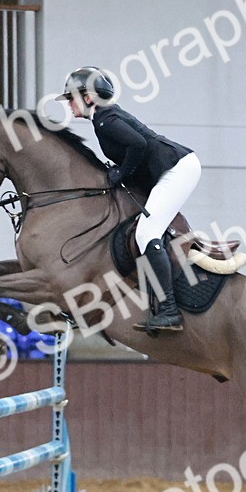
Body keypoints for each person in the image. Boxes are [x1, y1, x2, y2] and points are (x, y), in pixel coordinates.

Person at [57, 66, 200, 334]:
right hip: (170, 168)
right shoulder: (102, 118)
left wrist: (120, 173)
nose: (68, 104)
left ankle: (169, 311)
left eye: (71, 97)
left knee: (147, 233)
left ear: (89, 97)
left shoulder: (105, 119)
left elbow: (138, 145)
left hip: (177, 169)